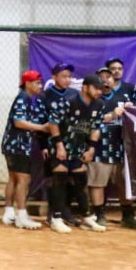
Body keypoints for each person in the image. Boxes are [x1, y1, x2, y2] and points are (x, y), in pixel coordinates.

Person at [47, 73, 106, 233]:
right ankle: (56, 218)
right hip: (61, 145)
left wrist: (91, 149)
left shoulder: (99, 104)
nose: (99, 91)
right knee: (60, 178)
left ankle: (86, 216)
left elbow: (96, 127)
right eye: (96, 88)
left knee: (81, 181)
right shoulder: (69, 101)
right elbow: (53, 123)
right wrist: (59, 146)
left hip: (79, 147)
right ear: (85, 87)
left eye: (101, 89)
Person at [88, 67, 136, 230]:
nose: (106, 80)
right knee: (98, 182)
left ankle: (127, 215)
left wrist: (132, 110)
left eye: (109, 77)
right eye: (102, 77)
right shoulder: (93, 100)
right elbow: (90, 121)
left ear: (114, 80)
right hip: (99, 147)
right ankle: (99, 214)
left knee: (124, 183)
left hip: (121, 147)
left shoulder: (123, 97)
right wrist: (112, 115)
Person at [0, 69, 48, 229]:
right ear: (27, 83)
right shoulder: (23, 98)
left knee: (14, 179)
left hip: (13, 145)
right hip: (18, 145)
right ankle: (21, 215)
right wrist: (41, 127)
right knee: (23, 179)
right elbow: (18, 122)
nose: (40, 86)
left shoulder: (27, 98)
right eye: (37, 83)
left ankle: (8, 212)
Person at [37, 62, 82, 227]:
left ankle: (66, 211)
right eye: (63, 76)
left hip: (73, 144)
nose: (67, 79)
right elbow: (41, 121)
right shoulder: (45, 96)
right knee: (55, 178)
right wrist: (43, 145)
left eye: (69, 76)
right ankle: (53, 211)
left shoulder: (75, 95)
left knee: (72, 179)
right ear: (54, 77)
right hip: (52, 143)